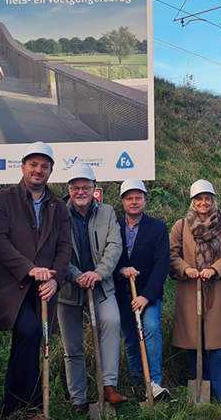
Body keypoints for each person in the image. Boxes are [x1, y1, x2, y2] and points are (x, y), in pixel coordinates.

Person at [0, 142, 72, 417]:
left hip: (45, 287)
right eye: (33, 165)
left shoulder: (59, 207)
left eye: (44, 166)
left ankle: (16, 406)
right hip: (12, 285)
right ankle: (27, 403)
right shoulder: (1, 199)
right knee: (30, 331)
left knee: (31, 339)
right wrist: (29, 269)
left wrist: (55, 280)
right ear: (23, 167)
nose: (38, 170)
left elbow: (64, 247)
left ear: (50, 171)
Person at [57, 163, 128, 411]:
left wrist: (98, 273)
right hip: (68, 288)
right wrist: (77, 275)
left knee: (111, 321)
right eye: (75, 187)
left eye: (85, 187)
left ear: (94, 188)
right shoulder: (58, 213)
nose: (80, 192)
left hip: (101, 285)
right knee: (72, 345)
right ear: (69, 189)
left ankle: (109, 386)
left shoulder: (107, 212)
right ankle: (78, 397)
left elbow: (114, 245)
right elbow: (57, 251)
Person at [169, 179, 221, 405]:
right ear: (192, 201)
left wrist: (214, 269)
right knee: (194, 344)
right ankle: (200, 392)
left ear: (213, 200)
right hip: (189, 291)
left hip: (214, 291)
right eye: (199, 199)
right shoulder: (181, 225)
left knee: (217, 346)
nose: (204, 202)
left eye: (208, 198)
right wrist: (186, 268)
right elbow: (172, 254)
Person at [114, 180, 170, 400]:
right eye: (129, 198)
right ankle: (138, 381)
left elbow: (162, 264)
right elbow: (107, 257)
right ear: (123, 201)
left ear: (145, 200)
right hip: (123, 293)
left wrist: (146, 296)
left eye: (138, 197)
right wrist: (121, 270)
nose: (134, 202)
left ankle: (154, 382)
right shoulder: (114, 226)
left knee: (151, 329)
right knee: (130, 337)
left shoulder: (157, 228)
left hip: (148, 294)